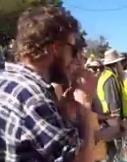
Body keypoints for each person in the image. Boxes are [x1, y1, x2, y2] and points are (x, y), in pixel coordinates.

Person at [0, 6, 98, 162]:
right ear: (56, 48)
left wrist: (62, 113)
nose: (74, 59)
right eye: (73, 50)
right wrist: (85, 103)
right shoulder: (33, 99)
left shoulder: (7, 82)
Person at [97, 49, 127, 161]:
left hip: (108, 122)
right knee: (114, 155)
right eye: (120, 63)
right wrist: (120, 124)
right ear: (116, 64)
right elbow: (113, 104)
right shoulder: (110, 80)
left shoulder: (109, 77)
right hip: (111, 123)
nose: (122, 66)